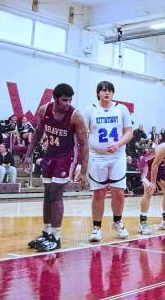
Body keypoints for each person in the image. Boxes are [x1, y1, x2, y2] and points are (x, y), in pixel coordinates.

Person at [25, 83, 88, 253]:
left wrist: (83, 170)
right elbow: (38, 132)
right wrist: (29, 153)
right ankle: (46, 233)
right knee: (46, 193)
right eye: (64, 100)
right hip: (50, 154)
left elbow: (84, 144)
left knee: (56, 193)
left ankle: (56, 237)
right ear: (55, 99)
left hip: (66, 157)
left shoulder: (76, 116)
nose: (68, 103)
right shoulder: (44, 110)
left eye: (70, 100)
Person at [82, 81, 133, 243]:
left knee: (118, 191)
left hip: (117, 155)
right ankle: (96, 227)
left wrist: (118, 144)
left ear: (113, 93)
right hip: (97, 156)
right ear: (98, 93)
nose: (107, 93)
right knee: (99, 192)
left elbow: (129, 133)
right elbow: (82, 136)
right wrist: (80, 162)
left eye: (109, 90)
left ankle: (117, 221)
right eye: (103, 90)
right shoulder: (90, 110)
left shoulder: (121, 109)